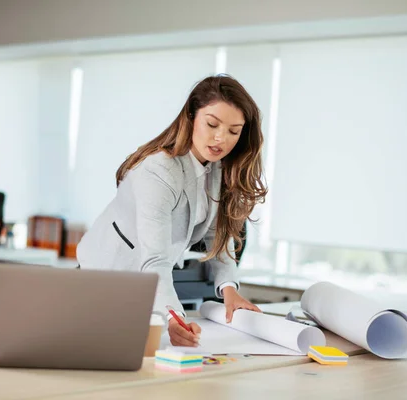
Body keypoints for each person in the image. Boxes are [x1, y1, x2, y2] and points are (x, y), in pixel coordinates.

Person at [77, 75, 268, 347]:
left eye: (233, 131)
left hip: (141, 293)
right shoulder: (158, 172)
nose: (220, 138)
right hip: (99, 287)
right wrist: (175, 317)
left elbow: (218, 235)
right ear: (191, 116)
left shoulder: (217, 169)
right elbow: (155, 258)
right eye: (212, 124)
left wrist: (229, 288)